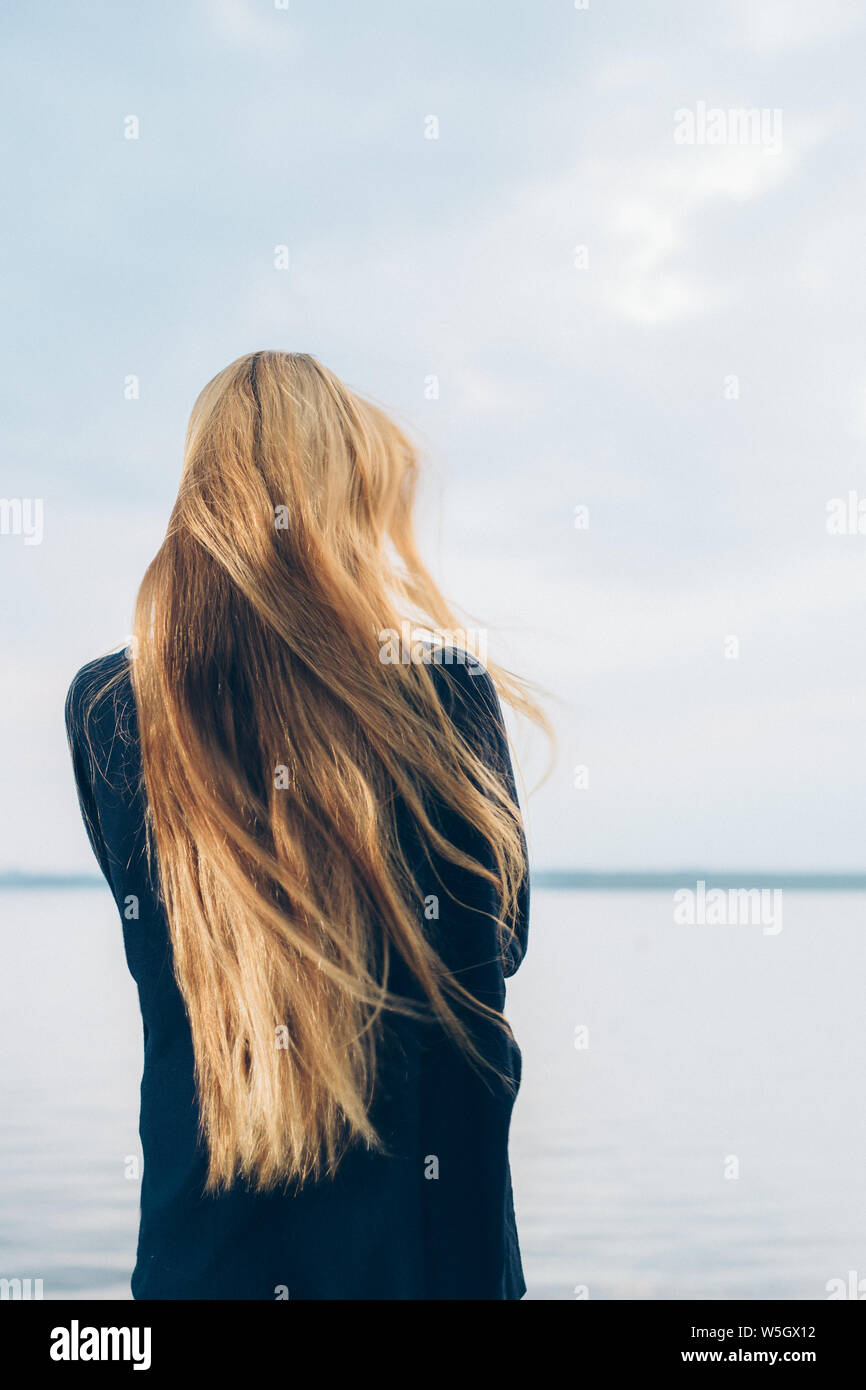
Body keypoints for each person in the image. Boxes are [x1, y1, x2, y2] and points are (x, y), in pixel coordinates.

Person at [65, 350, 544, 1300]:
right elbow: (502, 943)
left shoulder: (112, 707)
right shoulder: (445, 693)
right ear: (346, 494)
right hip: (432, 1262)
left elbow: (152, 939)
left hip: (202, 1264)